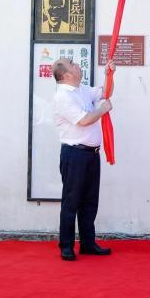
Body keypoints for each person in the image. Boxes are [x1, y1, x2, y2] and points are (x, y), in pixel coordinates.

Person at [52, 57, 115, 261]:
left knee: (90, 201)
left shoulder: (82, 89)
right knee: (72, 201)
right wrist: (103, 109)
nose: (77, 65)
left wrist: (109, 74)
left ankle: (88, 243)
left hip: (91, 154)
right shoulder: (62, 96)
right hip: (74, 155)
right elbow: (84, 120)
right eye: (72, 64)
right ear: (66, 74)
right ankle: (66, 246)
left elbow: (105, 93)